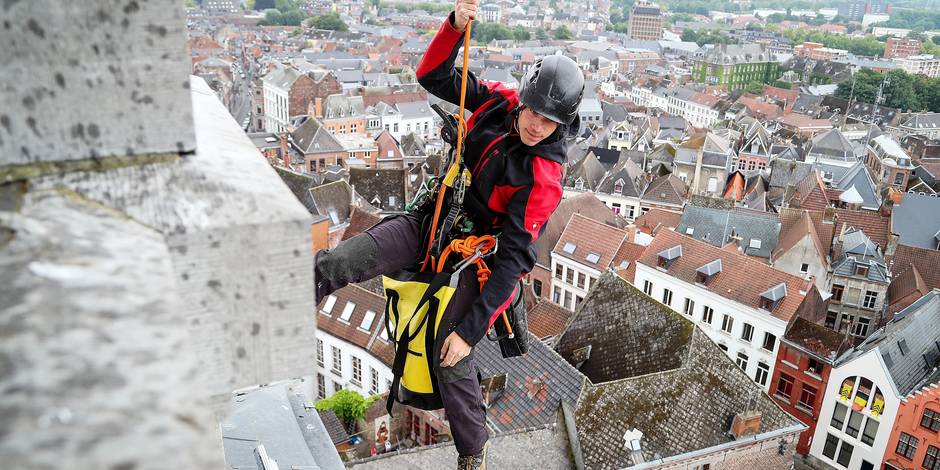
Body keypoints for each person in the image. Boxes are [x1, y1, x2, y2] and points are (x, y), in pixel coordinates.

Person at [313, 1, 584, 468]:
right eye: (534, 112)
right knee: (341, 262)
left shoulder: (542, 175)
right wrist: (455, 28)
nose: (538, 125)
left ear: (563, 123)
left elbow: (514, 261)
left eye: (550, 121)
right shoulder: (500, 102)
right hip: (434, 219)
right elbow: (433, 77)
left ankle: (472, 455)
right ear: (524, 99)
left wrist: (470, 330)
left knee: (450, 353)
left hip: (472, 260)